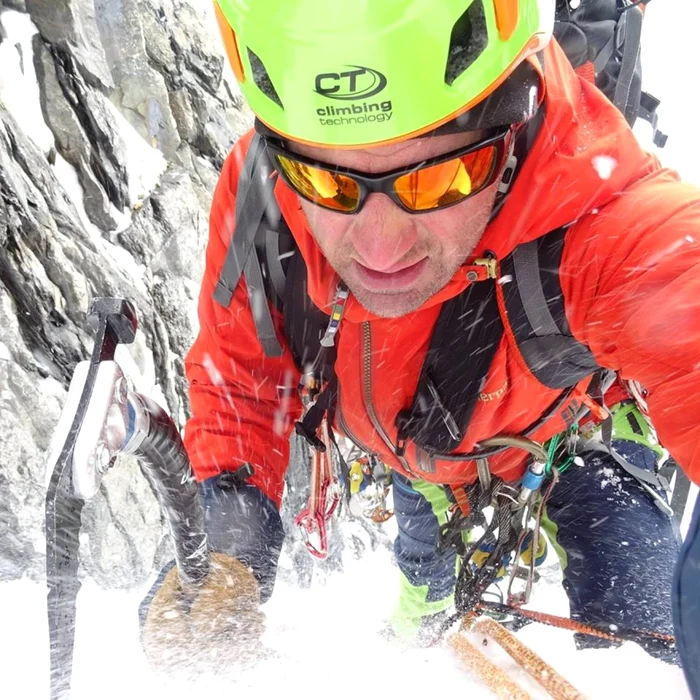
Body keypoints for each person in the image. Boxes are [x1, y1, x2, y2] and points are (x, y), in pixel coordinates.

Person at [141, 0, 700, 680]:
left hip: (574, 440)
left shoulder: (602, 222)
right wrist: (227, 548)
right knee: (420, 610)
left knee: (644, 619)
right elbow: (244, 380)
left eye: (441, 177)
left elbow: (680, 291)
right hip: (423, 459)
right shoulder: (268, 191)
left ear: (516, 124)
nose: (380, 247)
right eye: (326, 179)